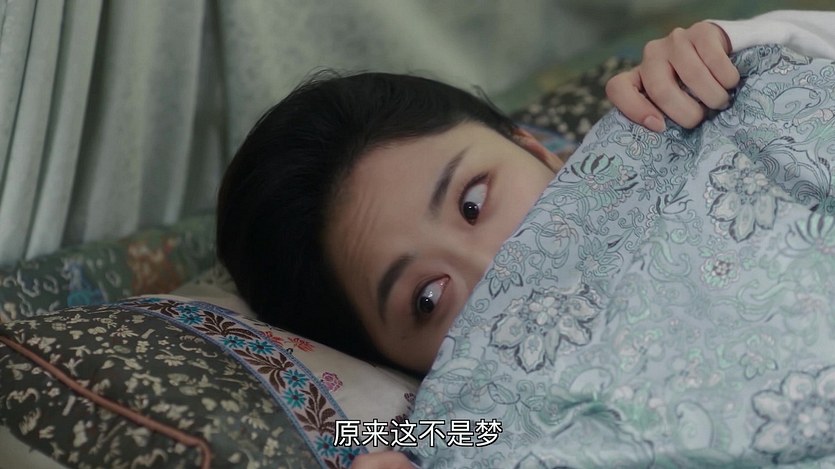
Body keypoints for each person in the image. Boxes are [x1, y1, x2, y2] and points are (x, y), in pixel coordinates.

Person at [215, 9, 835, 468]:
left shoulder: (678, 120)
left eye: (473, 204)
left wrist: (760, 39)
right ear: (392, 360)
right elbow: (347, 435)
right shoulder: (473, 414)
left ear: (533, 149)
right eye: (428, 299)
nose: (494, 263)